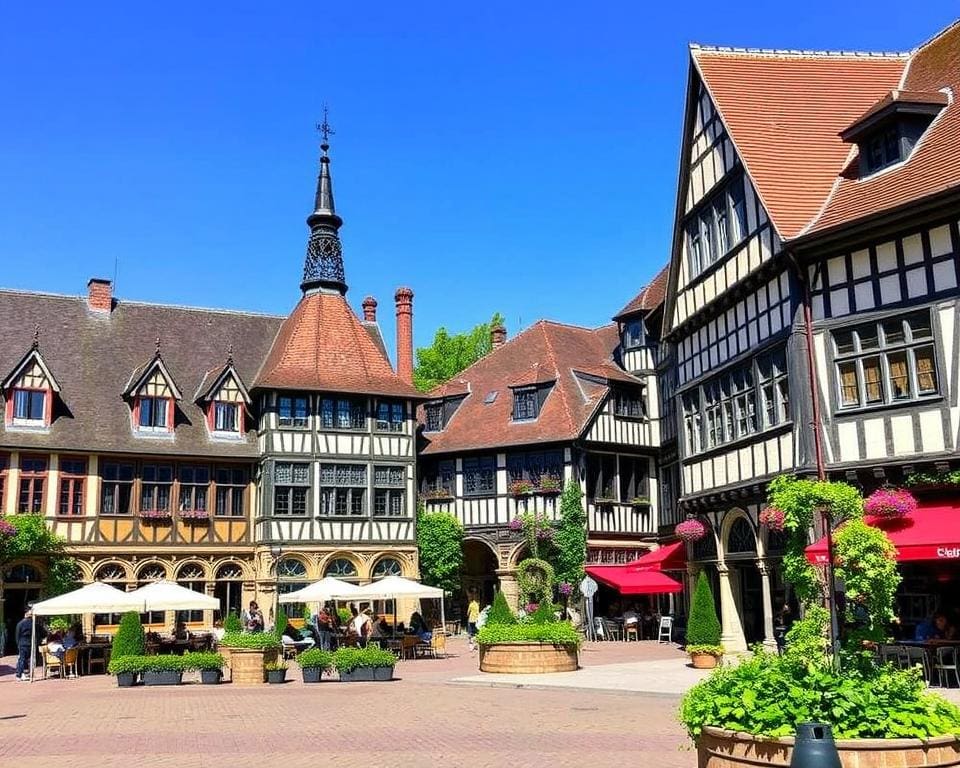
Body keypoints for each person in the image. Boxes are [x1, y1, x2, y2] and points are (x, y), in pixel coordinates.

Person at [15, 609, 34, 681]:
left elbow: (17, 635)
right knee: (26, 659)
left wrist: (18, 644)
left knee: (22, 659)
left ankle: (19, 674)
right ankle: (24, 673)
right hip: (29, 643)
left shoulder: (20, 624)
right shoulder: (32, 623)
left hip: (22, 643)